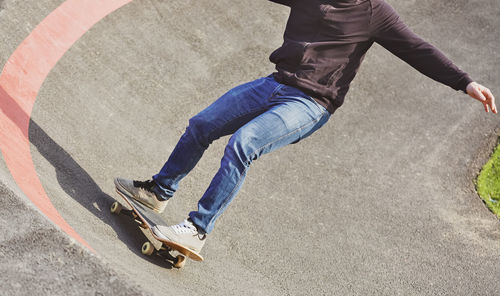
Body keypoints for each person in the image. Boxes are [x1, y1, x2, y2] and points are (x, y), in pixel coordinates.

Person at [114, 0, 497, 255]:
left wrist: (464, 82)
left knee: (243, 144)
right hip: (274, 83)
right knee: (202, 124)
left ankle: (196, 231)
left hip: (311, 102)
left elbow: (418, 48)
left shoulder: (374, 11)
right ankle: (158, 191)